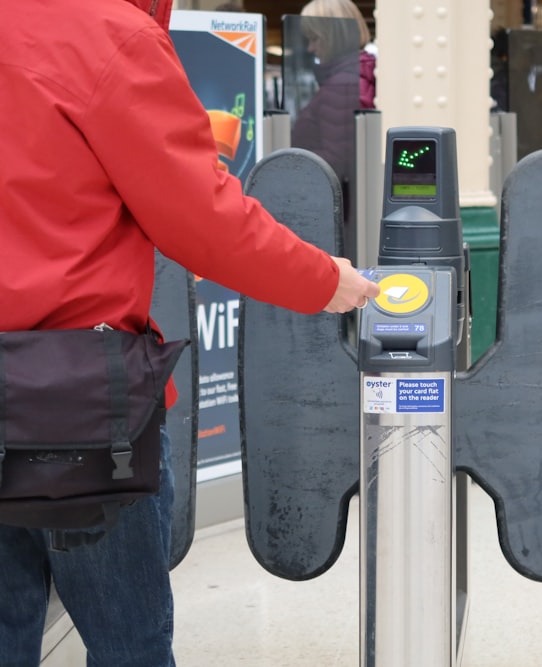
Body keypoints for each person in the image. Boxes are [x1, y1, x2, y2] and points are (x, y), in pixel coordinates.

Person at [0, 1, 380, 665]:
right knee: (130, 645)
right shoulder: (109, 38)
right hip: (84, 417)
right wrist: (325, 280)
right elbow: (205, 220)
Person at [291, 0, 376, 224]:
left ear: (334, 36)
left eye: (315, 38)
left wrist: (291, 164)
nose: (311, 48)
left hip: (333, 216)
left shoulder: (341, 86)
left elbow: (336, 161)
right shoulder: (357, 76)